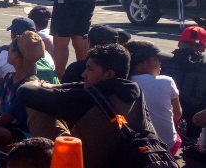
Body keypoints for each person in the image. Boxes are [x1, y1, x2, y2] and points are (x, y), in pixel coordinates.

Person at [18, 44, 165, 167]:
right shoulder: (134, 91)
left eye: (90, 69)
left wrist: (38, 83)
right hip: (136, 156)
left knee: (39, 110)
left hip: (87, 163)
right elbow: (83, 86)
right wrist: (57, 86)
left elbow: (24, 92)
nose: (83, 74)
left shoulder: (90, 98)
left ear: (108, 74)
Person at [0, 31, 46, 147]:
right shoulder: (9, 77)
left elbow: (4, 120)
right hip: (3, 126)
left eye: (10, 49)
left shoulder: (28, 87)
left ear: (16, 56)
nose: (7, 52)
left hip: (20, 133)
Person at [126, 41, 182, 153]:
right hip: (168, 145)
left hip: (135, 145)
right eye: (157, 60)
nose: (160, 63)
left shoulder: (125, 83)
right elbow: (178, 113)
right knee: (177, 137)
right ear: (140, 65)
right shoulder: (166, 81)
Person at [160, 25, 206, 142]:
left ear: (180, 43)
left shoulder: (161, 61)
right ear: (203, 48)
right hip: (196, 127)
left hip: (165, 121)